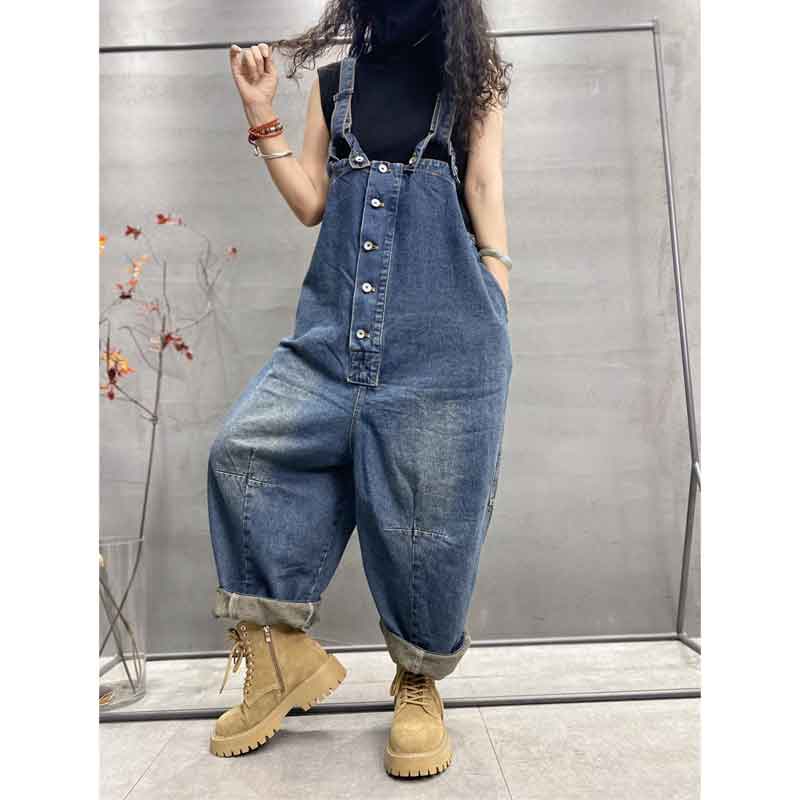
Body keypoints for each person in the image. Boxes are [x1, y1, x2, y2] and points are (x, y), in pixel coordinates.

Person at [207, 0, 514, 778]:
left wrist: (496, 299)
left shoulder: (471, 85)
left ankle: (417, 684)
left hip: (445, 341)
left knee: (427, 520)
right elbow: (313, 202)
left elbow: (484, 188)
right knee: (242, 451)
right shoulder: (334, 84)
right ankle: (280, 658)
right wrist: (260, 113)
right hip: (329, 339)